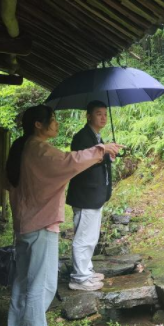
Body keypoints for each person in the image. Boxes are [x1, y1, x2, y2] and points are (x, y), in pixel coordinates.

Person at [3, 105, 122, 326]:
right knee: (40, 283)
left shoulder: (23, 148)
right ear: (39, 124)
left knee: (23, 282)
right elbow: (68, 162)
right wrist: (101, 150)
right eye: (53, 119)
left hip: (26, 224)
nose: (56, 123)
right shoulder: (39, 149)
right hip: (40, 224)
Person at [66, 100, 114, 291]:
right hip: (86, 194)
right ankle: (79, 278)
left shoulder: (96, 137)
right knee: (84, 237)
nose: (103, 117)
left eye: (105, 114)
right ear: (88, 116)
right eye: (98, 114)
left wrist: (107, 155)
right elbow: (81, 162)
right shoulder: (82, 137)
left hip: (95, 194)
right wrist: (103, 154)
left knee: (90, 236)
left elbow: (97, 159)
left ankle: (86, 269)